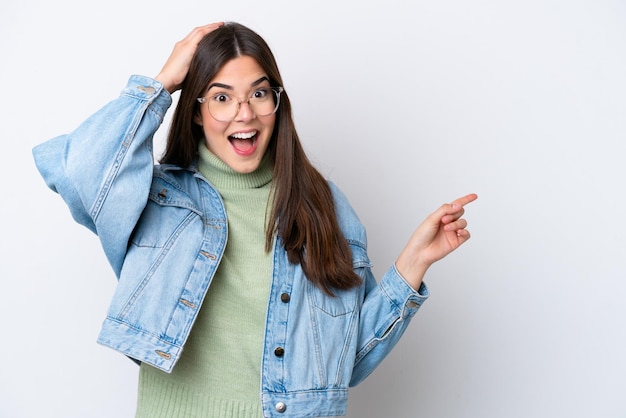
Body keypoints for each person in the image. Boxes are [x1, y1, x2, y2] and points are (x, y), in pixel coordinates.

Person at [32, 21, 477, 418]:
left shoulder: (324, 207)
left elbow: (343, 365)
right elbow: (77, 171)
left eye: (259, 94)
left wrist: (411, 267)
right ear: (197, 110)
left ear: (277, 103)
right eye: (222, 97)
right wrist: (162, 83)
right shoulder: (156, 199)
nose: (244, 114)